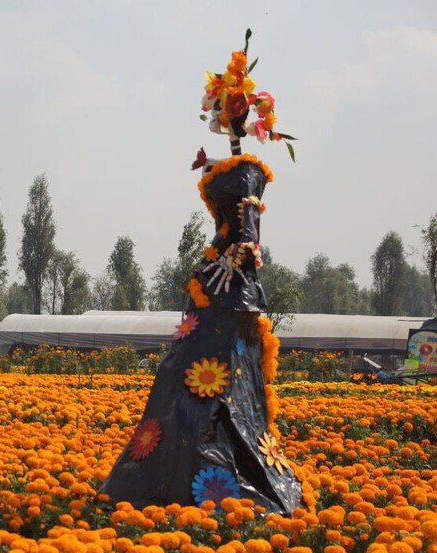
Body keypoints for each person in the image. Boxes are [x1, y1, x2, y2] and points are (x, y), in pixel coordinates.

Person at [100, 32, 302, 514]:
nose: (215, 116)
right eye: (214, 107)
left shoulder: (250, 172)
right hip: (215, 274)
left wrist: (246, 250)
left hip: (232, 277)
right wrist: (209, 163)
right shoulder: (234, 165)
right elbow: (233, 178)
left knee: (219, 370)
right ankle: (175, 461)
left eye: (222, 108)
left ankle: (222, 465)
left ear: (239, 112)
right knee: (185, 367)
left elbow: (250, 219)